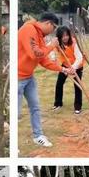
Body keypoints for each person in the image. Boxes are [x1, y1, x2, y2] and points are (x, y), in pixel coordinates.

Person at [18, 12, 75, 147]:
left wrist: (63, 70)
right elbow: (34, 54)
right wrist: (51, 46)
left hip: (29, 77)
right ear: (48, 23)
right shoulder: (28, 29)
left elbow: (44, 61)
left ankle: (38, 136)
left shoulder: (40, 36)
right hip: (18, 78)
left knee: (35, 108)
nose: (54, 31)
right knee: (16, 113)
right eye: (54, 27)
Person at [52, 26, 84, 114]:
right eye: (63, 36)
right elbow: (51, 50)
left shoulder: (74, 43)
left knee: (77, 85)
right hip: (65, 65)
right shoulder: (57, 43)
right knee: (59, 84)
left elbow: (79, 58)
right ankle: (58, 103)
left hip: (77, 66)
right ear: (59, 37)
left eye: (67, 35)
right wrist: (53, 57)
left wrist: (73, 68)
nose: (65, 37)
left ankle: (78, 106)